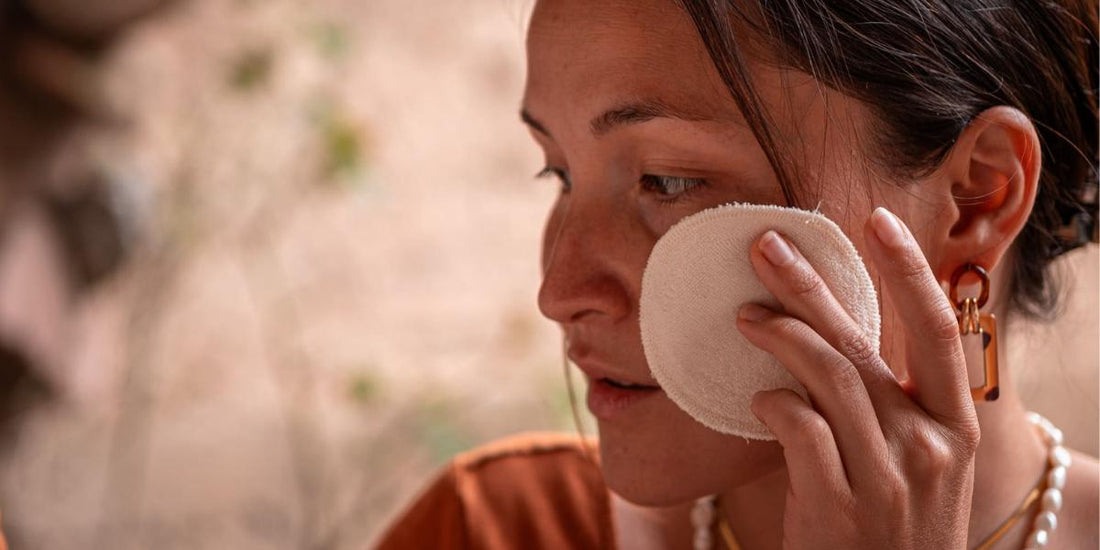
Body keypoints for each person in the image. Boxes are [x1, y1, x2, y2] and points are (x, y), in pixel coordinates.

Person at [377, 0, 1099, 548]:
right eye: (558, 171)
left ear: (978, 197)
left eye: (666, 180)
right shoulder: (492, 529)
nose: (558, 293)